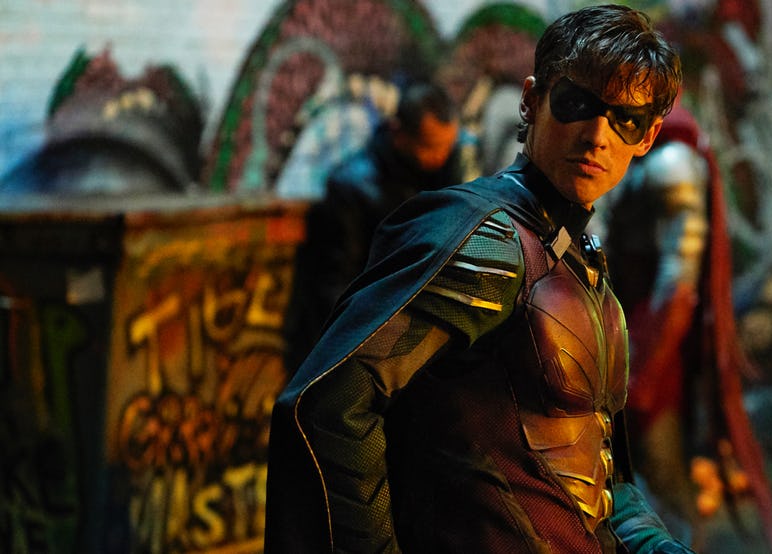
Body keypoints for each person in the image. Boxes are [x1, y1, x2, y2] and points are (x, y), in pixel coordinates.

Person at [265, 5, 693, 553]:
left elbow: (599, 479)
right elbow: (328, 405)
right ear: (532, 101)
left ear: (648, 135)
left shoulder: (578, 259)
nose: (596, 136)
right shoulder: (485, 242)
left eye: (624, 119)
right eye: (576, 103)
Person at [597, 103, 772, 551]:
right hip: (629, 329)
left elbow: (678, 275)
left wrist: (646, 366)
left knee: (661, 478)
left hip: (649, 340)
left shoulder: (672, 160)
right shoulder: (653, 153)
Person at [282, 79, 473, 372]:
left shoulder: (443, 176)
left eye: (448, 147)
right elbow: (336, 286)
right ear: (399, 133)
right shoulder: (351, 187)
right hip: (359, 344)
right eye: (430, 147)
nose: (441, 156)